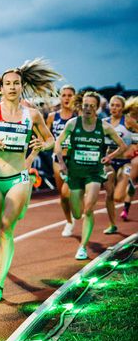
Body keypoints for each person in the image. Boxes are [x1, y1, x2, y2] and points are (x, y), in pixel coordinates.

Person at [0, 58, 57, 302]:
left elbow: (50, 140)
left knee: (5, 229)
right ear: (0, 88)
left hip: (19, 177)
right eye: (7, 83)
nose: (12, 87)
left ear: (22, 86)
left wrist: (41, 146)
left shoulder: (31, 115)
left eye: (16, 83)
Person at [55, 92, 126, 259]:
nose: (87, 108)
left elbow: (122, 146)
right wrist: (62, 163)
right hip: (75, 172)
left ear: (97, 108)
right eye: (85, 105)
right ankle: (76, 216)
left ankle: (82, 247)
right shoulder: (73, 123)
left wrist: (109, 157)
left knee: (88, 209)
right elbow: (58, 143)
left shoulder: (104, 126)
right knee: (78, 213)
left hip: (94, 173)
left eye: (91, 106)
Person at [46, 85, 77, 236]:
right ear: (59, 97)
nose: (66, 98)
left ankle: (74, 214)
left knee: (66, 193)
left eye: (70, 95)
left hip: (74, 159)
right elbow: (46, 135)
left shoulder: (79, 116)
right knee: (62, 197)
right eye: (64, 95)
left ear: (74, 97)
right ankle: (69, 221)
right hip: (57, 158)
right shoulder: (52, 116)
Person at [102, 95, 137, 232]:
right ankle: (112, 225)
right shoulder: (103, 122)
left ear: (122, 108)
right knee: (109, 194)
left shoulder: (127, 121)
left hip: (125, 162)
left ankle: (129, 184)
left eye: (117, 105)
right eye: (112, 105)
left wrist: (133, 147)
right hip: (109, 161)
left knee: (118, 197)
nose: (114, 108)